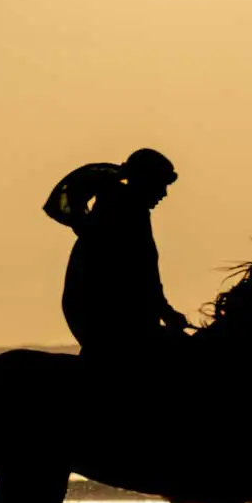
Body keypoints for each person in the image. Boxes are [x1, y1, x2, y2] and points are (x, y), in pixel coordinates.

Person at [51, 149, 191, 371]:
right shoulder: (127, 213)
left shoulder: (114, 209)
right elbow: (141, 277)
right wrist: (167, 313)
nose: (164, 194)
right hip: (112, 322)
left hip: (98, 318)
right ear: (146, 181)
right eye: (161, 185)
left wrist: (164, 313)